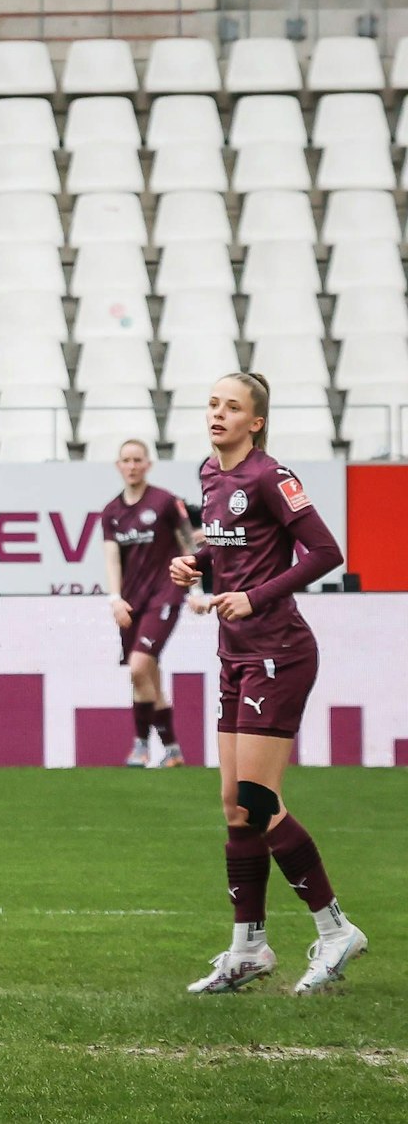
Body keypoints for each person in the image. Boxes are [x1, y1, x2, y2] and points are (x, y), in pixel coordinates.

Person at [169, 372, 363, 995]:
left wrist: (254, 596)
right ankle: (248, 947)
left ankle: (336, 931)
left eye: (233, 406)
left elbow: (325, 552)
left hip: (279, 652)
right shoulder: (210, 473)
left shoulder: (271, 477)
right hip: (235, 654)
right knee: (235, 807)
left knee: (257, 798)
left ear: (256, 422)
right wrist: (195, 562)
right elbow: (228, 546)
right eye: (213, 403)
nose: (218, 413)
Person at [101, 438, 201, 768]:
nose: (131, 465)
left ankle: (140, 745)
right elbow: (113, 560)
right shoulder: (112, 513)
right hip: (132, 602)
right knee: (149, 674)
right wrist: (115, 599)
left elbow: (189, 545)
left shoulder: (165, 502)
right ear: (118, 466)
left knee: (139, 666)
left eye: (137, 460)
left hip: (166, 593)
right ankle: (172, 750)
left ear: (148, 464)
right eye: (126, 460)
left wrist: (196, 590)